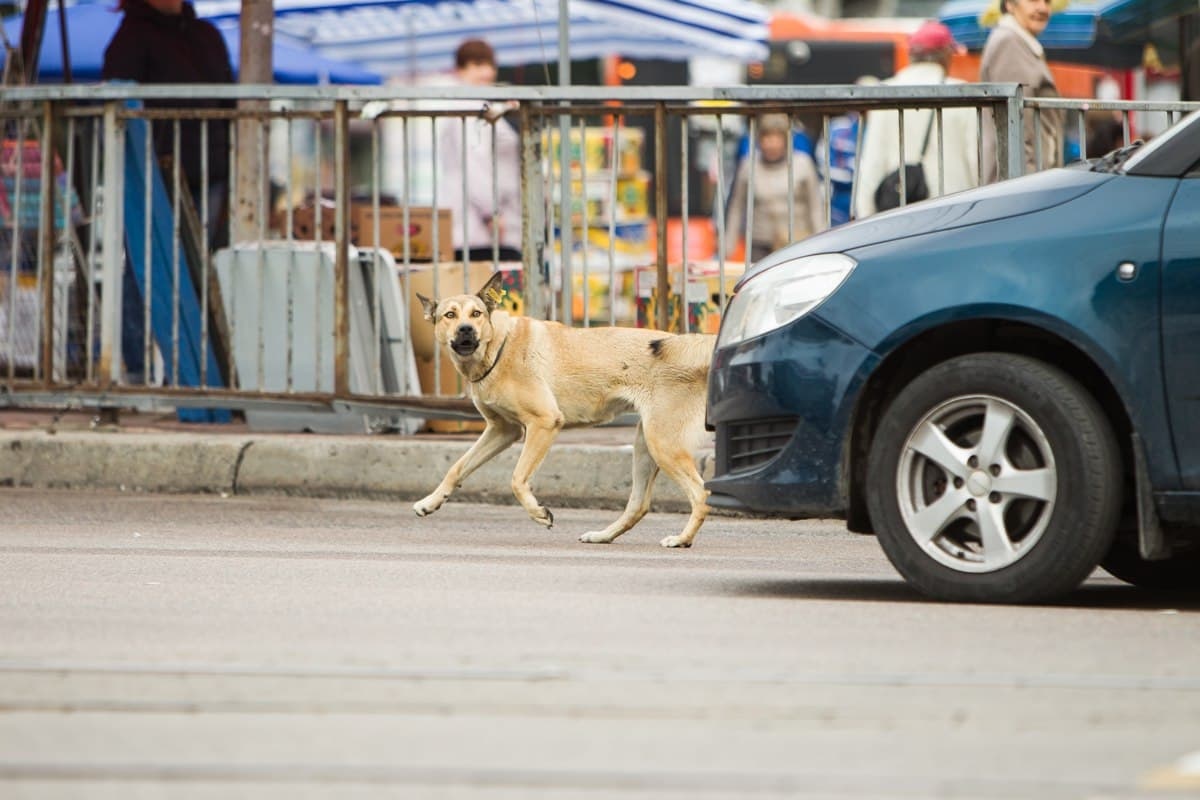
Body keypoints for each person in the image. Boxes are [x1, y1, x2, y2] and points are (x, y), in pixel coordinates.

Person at [102, 0, 234, 238]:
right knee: (153, 259)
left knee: (200, 265)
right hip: (154, 178)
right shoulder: (130, 39)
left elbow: (230, 107)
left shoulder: (207, 36)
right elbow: (117, 111)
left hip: (211, 174)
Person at [854, 22, 979, 220]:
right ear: (946, 55)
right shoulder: (966, 94)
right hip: (956, 212)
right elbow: (976, 161)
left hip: (899, 214)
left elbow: (872, 161)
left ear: (911, 55)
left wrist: (865, 213)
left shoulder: (884, 92)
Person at [438, 39, 522, 263]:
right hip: (481, 229)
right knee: (488, 293)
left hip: (484, 226)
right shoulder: (466, 108)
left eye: (489, 65)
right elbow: (474, 165)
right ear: (460, 70)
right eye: (476, 65)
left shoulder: (480, 106)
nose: (486, 72)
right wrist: (491, 213)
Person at [978, 0, 1064, 183]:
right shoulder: (1008, 43)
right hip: (1023, 184)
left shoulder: (1020, 42)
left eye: (1047, 1)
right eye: (1033, 0)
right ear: (1009, 4)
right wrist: (1030, 187)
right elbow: (1016, 128)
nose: (1042, 8)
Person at [724, 114, 825, 264]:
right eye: (767, 138)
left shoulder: (803, 164)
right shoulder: (748, 166)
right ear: (759, 140)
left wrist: (823, 245)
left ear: (786, 140)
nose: (771, 144)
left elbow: (816, 207)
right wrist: (727, 249)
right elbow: (736, 208)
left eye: (777, 138)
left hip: (796, 243)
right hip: (759, 245)